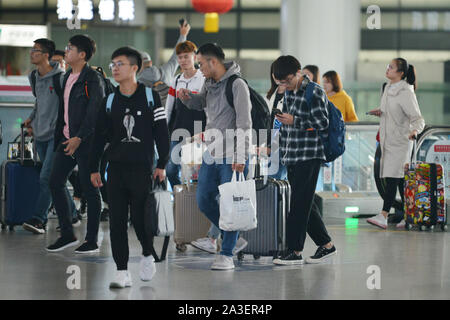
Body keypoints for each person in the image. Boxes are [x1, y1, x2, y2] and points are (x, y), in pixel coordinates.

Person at [90, 46, 170, 288]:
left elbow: (162, 133)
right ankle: (121, 271)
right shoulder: (110, 100)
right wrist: (94, 167)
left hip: (143, 169)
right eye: (113, 64)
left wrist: (162, 163)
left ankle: (147, 253)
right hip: (115, 169)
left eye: (120, 64)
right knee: (116, 221)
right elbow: (99, 137)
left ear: (135, 68)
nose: (115, 68)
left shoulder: (150, 97)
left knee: (140, 218)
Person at [178, 43, 251, 270]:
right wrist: (186, 97)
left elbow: (244, 123)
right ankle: (232, 234)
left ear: (213, 62)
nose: (199, 68)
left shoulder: (237, 85)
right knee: (203, 199)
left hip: (232, 155)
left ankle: (227, 254)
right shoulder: (209, 84)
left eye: (201, 63)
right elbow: (200, 104)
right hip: (212, 153)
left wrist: (241, 156)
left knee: (230, 205)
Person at [269, 55, 337, 265]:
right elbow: (288, 124)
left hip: (310, 154)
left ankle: (295, 251)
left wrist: (294, 120)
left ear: (298, 73)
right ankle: (327, 246)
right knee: (303, 202)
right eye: (280, 82)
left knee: (298, 203)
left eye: (287, 80)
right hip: (293, 154)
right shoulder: (288, 92)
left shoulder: (314, 90)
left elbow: (322, 122)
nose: (284, 85)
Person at [46, 34, 106, 253]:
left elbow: (95, 112)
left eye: (70, 48)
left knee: (90, 189)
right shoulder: (66, 77)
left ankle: (91, 240)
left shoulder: (93, 79)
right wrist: (62, 137)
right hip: (66, 139)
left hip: (86, 141)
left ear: (82, 54)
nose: (66, 51)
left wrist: (79, 137)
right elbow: (63, 111)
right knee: (55, 182)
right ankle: (67, 234)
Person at [22, 39, 78, 234]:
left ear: (46, 55)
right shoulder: (34, 77)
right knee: (56, 179)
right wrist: (31, 120)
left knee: (47, 178)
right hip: (40, 136)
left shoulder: (61, 78)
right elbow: (39, 102)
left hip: (58, 136)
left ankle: (39, 219)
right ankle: (72, 214)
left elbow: (69, 106)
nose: (31, 53)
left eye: (35, 50)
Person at [366, 58, 424, 229]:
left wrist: (414, 131)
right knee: (399, 180)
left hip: (401, 141)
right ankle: (408, 216)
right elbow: (394, 112)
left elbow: (417, 118)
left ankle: (383, 214)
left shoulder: (406, 91)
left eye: (391, 67)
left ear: (400, 73)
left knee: (392, 177)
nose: (388, 69)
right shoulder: (388, 88)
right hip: (388, 140)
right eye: (388, 66)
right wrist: (381, 112)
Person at [165, 40, 206, 188]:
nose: (183, 60)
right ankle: (180, 197)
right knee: (170, 170)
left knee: (196, 172)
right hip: (178, 131)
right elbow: (169, 108)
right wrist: (163, 130)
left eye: (186, 56)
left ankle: (195, 204)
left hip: (198, 131)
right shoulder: (176, 81)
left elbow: (207, 107)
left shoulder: (203, 79)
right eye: (180, 57)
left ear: (194, 57)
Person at [138, 21, 191, 108]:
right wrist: (183, 34)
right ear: (150, 63)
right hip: (170, 114)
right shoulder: (166, 71)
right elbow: (176, 56)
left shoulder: (137, 84)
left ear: (136, 67)